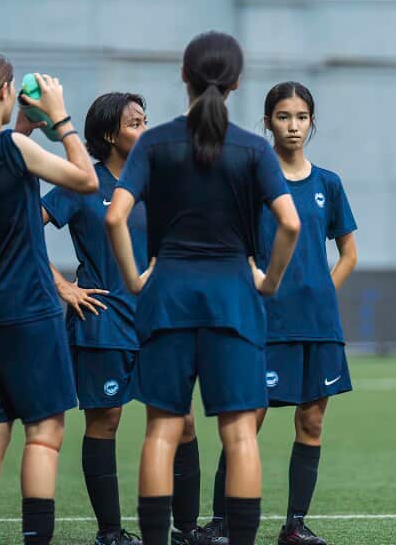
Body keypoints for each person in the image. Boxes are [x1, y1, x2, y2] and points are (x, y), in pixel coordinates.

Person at [105, 31, 301, 545]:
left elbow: (115, 218)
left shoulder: (154, 142)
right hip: (235, 299)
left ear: (184, 76)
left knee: (161, 430)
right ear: (236, 82)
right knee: (239, 435)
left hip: (166, 295)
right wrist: (270, 279)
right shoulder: (255, 149)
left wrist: (133, 277)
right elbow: (292, 224)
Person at [0, 50, 99, 545]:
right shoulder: (11, 146)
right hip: (28, 309)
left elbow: (5, 158)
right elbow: (87, 180)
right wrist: (61, 117)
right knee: (44, 433)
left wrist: (25, 126)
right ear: (7, 90)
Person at [40, 93, 205, 545]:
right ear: (110, 135)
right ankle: (110, 532)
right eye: (135, 123)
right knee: (105, 419)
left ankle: (187, 529)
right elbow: (25, 229)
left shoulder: (160, 183)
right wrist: (62, 286)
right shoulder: (82, 183)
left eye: (146, 120)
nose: (145, 128)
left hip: (159, 320)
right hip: (103, 320)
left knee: (182, 420)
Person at [205, 82, 358, 545]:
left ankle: (294, 526)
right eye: (283, 116)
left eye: (302, 117)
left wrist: (322, 295)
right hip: (264, 323)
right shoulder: (251, 179)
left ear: (312, 122)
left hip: (319, 326)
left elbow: (349, 253)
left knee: (311, 422)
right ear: (267, 121)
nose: (293, 126)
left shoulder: (328, 183)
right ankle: (221, 524)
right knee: (245, 423)